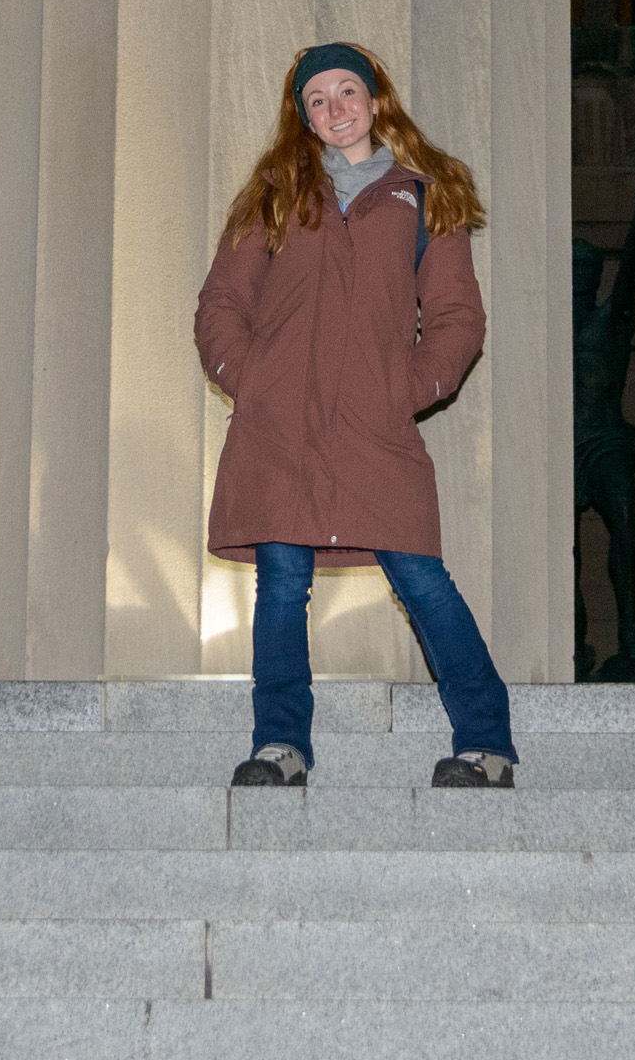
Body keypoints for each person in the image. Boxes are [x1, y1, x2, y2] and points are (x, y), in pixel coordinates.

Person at [194, 41, 516, 790]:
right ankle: (280, 746)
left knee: (422, 580)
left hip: (375, 428)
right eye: (317, 99)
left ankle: (487, 744)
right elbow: (222, 302)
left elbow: (458, 318)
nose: (334, 108)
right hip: (279, 431)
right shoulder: (274, 194)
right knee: (281, 586)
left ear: (375, 101)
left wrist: (404, 387)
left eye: (346, 92)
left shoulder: (425, 197)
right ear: (304, 117)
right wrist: (253, 381)